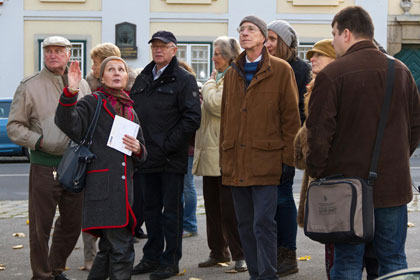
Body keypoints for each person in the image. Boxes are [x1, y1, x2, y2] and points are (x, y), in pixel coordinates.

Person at [305, 6, 420, 279]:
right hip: (392, 187)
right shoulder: (401, 70)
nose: (332, 41)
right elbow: (416, 127)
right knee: (393, 262)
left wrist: (319, 173)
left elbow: (318, 135)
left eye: (333, 34)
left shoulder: (332, 75)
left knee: (346, 264)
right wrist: (396, 159)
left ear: (346, 34)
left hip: (345, 188)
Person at [220, 16, 300, 279]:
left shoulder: (280, 70)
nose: (244, 33)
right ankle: (256, 274)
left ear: (264, 37)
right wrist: (225, 158)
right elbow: (227, 119)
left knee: (263, 223)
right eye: (241, 30)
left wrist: (288, 159)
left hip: (267, 160)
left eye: (250, 29)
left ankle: (268, 274)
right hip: (237, 161)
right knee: (244, 224)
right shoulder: (232, 72)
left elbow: (290, 118)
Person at [6, 36, 91, 280]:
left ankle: (55, 269)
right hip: (44, 166)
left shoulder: (82, 84)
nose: (53, 55)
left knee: (72, 225)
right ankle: (41, 275)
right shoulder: (29, 85)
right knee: (41, 227)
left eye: (58, 51)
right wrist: (40, 142)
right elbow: (14, 127)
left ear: (69, 54)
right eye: (48, 51)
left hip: (75, 166)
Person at [55, 56, 147, 279]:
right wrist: (71, 91)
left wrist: (138, 149)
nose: (117, 73)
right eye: (111, 69)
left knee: (108, 249)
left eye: (121, 70)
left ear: (127, 76)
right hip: (101, 189)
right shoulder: (93, 102)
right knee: (122, 249)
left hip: (125, 192)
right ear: (101, 76)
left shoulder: (130, 109)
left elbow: (143, 152)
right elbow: (66, 122)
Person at [130, 31, 201, 280]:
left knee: (171, 213)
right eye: (155, 46)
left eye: (163, 46)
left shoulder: (183, 79)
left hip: (170, 158)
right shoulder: (143, 77)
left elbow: (192, 118)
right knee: (150, 211)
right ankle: (151, 257)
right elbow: (134, 112)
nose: (158, 50)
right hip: (145, 156)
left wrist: (169, 144)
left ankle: (170, 261)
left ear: (174, 50)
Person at [192, 36, 246, 272]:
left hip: (223, 153)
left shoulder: (232, 77)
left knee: (229, 209)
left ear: (229, 55)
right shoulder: (220, 78)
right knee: (212, 208)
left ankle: (240, 255)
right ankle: (217, 251)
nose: (213, 58)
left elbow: (216, 104)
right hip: (211, 151)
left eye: (217, 53)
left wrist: (209, 85)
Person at [266, 19, 311, 277]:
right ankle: (272, 251)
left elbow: (304, 113)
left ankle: (287, 254)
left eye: (273, 40)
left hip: (286, 146)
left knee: (283, 198)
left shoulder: (299, 69)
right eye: (267, 39)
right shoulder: (266, 66)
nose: (268, 44)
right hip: (265, 146)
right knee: (267, 202)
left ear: (285, 43)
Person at [293, 38, 336, 280]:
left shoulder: (330, 85)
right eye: (312, 55)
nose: (313, 58)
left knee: (335, 231)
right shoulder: (315, 84)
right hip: (318, 167)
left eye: (320, 54)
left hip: (327, 170)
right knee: (331, 236)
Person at [178, 60, 199, 238]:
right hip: (181, 147)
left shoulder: (191, 93)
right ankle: (185, 223)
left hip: (187, 147)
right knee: (182, 187)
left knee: (187, 186)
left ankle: (190, 224)